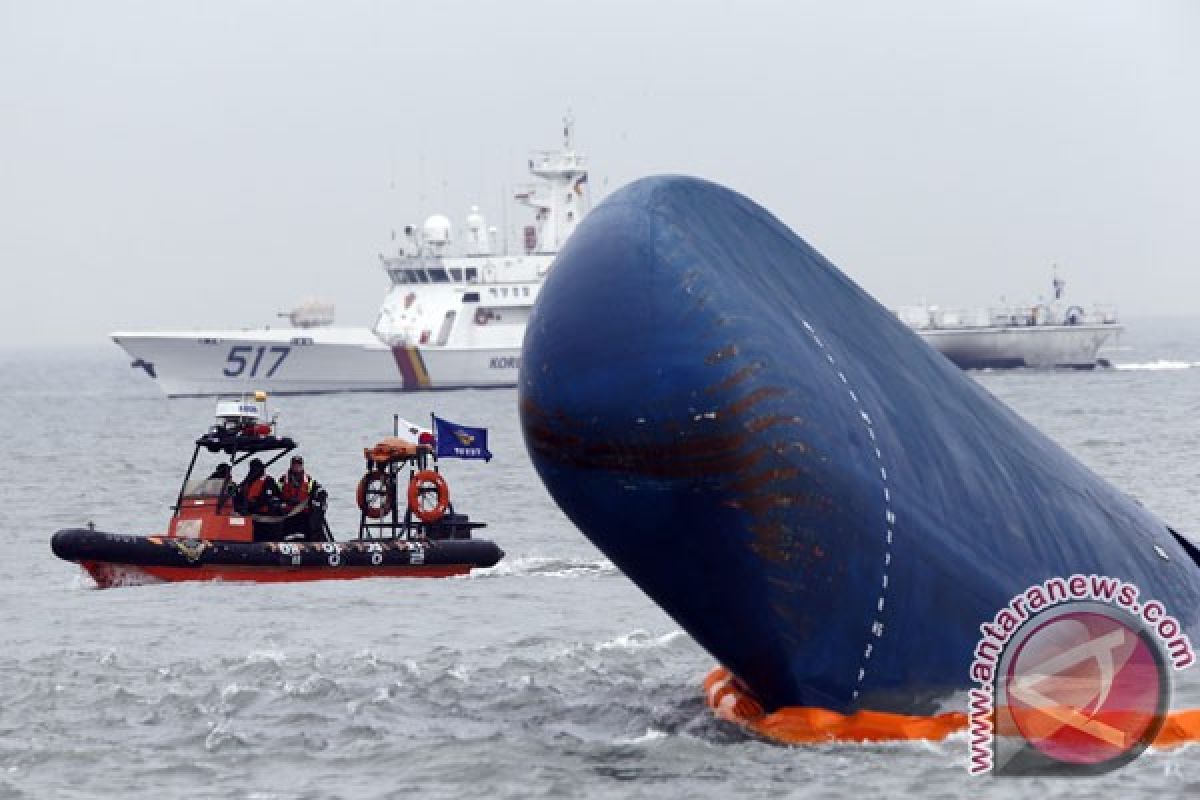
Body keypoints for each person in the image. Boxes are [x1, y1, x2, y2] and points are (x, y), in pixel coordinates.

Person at [278, 455, 328, 541]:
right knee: (288, 535)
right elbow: (277, 493)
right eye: (295, 465)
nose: (297, 467)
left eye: (299, 465)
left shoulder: (308, 480)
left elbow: (319, 490)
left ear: (302, 466)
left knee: (305, 532)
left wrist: (319, 496)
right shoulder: (283, 480)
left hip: (303, 513)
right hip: (288, 513)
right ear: (291, 466)